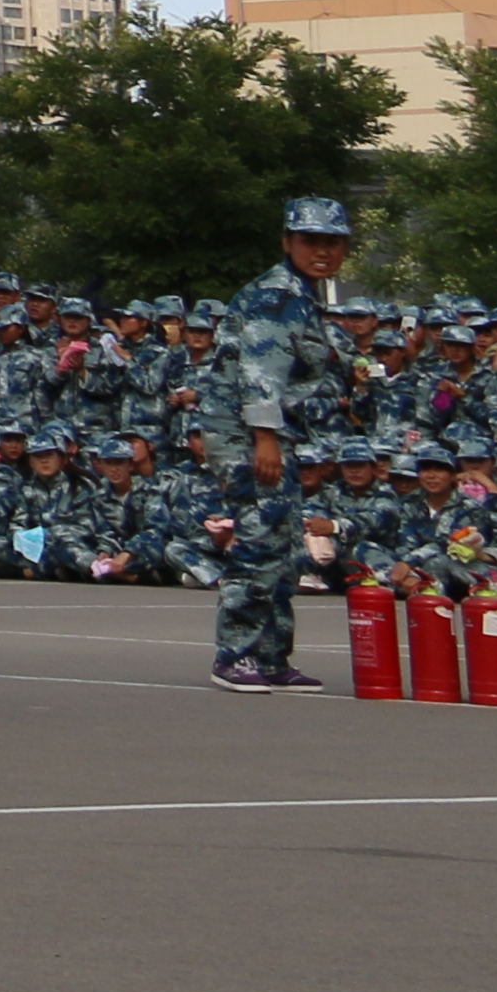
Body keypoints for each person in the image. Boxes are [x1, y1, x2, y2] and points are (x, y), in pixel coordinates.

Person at [196, 193, 361, 692]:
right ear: (287, 242)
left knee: (284, 544)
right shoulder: (277, 296)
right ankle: (234, 655)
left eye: (333, 242)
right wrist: (264, 437)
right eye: (310, 240)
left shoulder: (302, 295)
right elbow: (260, 371)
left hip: (271, 432)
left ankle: (270, 657)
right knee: (261, 538)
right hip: (248, 433)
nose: (323, 251)